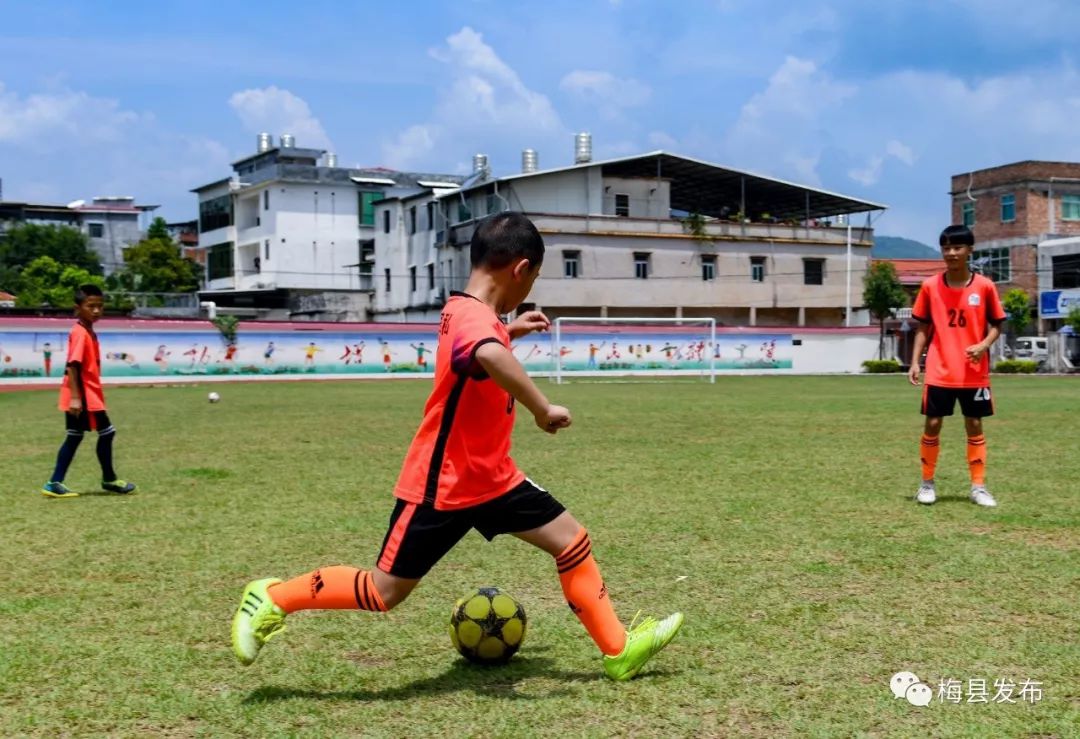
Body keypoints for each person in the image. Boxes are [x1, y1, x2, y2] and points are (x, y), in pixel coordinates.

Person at [230, 212, 683, 680]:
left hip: (493, 478)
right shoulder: (472, 317)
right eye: (534, 278)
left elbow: (482, 350)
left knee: (571, 541)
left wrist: (511, 331)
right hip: (443, 483)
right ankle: (272, 597)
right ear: (521, 269)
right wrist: (541, 408)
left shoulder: (467, 311)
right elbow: (486, 352)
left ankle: (618, 650)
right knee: (384, 591)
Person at [908, 225, 1006, 507]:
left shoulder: (984, 286)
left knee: (974, 424)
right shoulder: (930, 286)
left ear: (969, 250)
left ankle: (978, 487)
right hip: (940, 369)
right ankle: (926, 484)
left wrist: (983, 345)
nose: (951, 253)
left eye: (957, 247)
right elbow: (923, 328)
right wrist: (915, 362)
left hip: (973, 371)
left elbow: (997, 325)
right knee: (933, 423)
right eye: (946, 248)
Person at [42, 285, 136, 499]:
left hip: (87, 393)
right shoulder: (80, 333)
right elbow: (72, 365)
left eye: (100, 306)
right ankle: (101, 480)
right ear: (78, 308)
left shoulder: (87, 331)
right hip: (82, 395)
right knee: (101, 433)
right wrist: (76, 398)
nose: (96, 310)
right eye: (90, 306)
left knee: (79, 435)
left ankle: (60, 482)